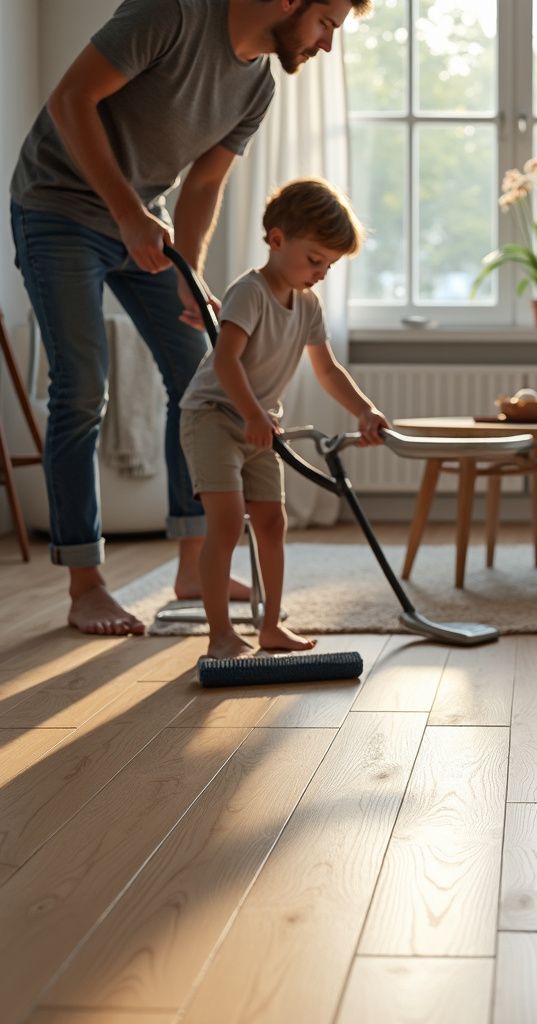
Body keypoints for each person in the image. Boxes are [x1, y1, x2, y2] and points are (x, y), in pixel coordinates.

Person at [9, 0, 368, 636]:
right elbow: (70, 101)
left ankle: (191, 562)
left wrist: (187, 274)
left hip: (143, 223)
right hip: (58, 208)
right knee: (83, 385)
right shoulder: (171, 13)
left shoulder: (256, 85)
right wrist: (125, 214)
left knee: (197, 379)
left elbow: (203, 186)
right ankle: (85, 584)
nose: (327, 44)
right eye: (327, 24)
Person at [180, 178, 388, 660]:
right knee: (228, 523)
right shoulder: (248, 293)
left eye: (329, 266)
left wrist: (364, 411)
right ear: (277, 240)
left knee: (273, 521)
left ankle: (271, 626)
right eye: (315, 259)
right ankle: (221, 635)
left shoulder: (309, 305)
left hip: (261, 424)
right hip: (214, 416)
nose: (321, 273)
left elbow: (327, 369)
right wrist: (252, 412)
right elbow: (227, 360)